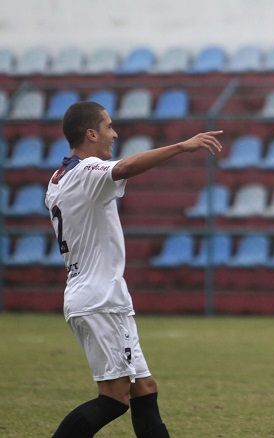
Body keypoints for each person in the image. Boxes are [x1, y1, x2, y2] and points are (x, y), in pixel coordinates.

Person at [46, 101, 223, 437]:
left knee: (144, 389)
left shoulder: (58, 179)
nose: (114, 133)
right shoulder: (86, 171)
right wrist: (183, 145)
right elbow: (124, 168)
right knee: (114, 398)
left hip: (99, 295)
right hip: (99, 298)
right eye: (109, 126)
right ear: (91, 133)